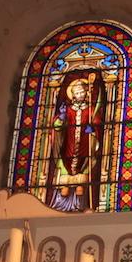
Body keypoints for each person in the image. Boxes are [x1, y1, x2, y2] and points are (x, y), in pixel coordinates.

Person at [49, 75, 103, 211]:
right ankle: (60, 204)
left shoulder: (90, 110)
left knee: (83, 172)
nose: (79, 95)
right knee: (65, 172)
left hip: (85, 145)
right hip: (68, 144)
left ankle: (81, 204)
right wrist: (61, 118)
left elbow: (97, 122)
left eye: (82, 92)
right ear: (72, 94)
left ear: (86, 93)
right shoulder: (67, 110)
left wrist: (93, 129)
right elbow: (57, 126)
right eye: (77, 93)